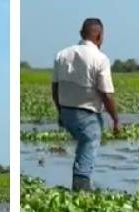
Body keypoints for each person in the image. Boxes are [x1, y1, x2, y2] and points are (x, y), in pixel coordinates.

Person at [52, 17, 120, 191]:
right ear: (99, 37)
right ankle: (81, 190)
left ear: (82, 34)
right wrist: (115, 119)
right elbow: (106, 94)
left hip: (66, 112)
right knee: (89, 144)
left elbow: (55, 87)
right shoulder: (100, 59)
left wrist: (60, 111)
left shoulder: (62, 54)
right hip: (87, 115)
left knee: (83, 146)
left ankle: (80, 185)